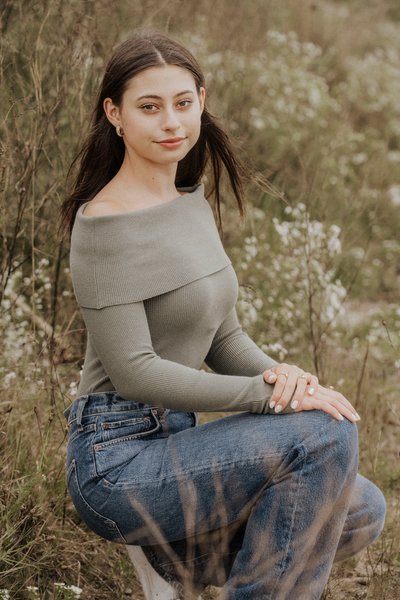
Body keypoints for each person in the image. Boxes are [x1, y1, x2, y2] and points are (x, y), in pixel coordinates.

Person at [59, 29, 386, 600]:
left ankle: (214, 574)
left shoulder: (190, 200)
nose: (171, 123)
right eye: (150, 107)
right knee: (321, 442)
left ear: (202, 102)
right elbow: (135, 371)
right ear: (115, 114)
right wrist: (267, 397)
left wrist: (286, 379)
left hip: (177, 445)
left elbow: (223, 336)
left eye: (183, 104)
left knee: (360, 507)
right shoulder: (102, 224)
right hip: (118, 460)